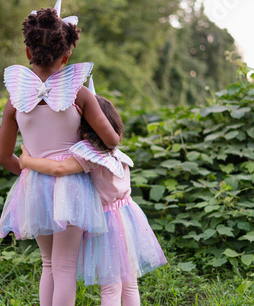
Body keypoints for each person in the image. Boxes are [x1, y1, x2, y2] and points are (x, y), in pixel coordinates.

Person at [0, 0, 120, 306]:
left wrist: (29, 171)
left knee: (48, 265)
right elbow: (112, 140)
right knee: (65, 267)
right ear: (66, 56)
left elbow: (2, 156)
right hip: (73, 189)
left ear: (28, 51)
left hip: (33, 187)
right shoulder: (79, 94)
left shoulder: (14, 100)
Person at [19, 94, 167, 306]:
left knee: (110, 286)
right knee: (129, 283)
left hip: (106, 223)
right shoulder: (114, 152)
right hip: (129, 217)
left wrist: (27, 160)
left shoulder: (89, 154)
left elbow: (59, 168)